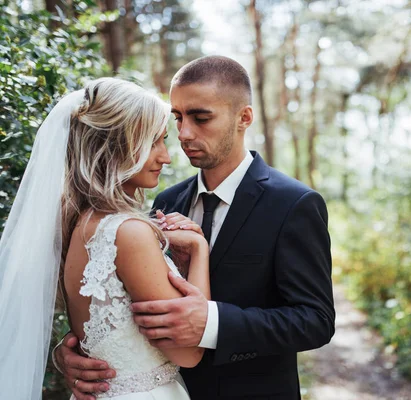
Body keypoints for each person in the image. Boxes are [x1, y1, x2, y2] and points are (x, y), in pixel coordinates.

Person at [55, 56, 336, 400]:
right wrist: (78, 350)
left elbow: (315, 320)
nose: (184, 134)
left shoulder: (293, 203)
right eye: (178, 118)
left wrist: (212, 324)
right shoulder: (164, 202)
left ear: (243, 118)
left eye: (201, 117)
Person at [0, 77, 210, 400]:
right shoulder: (129, 232)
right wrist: (199, 249)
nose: (165, 157)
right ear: (116, 144)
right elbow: (190, 351)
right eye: (153, 142)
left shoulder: (76, 224)